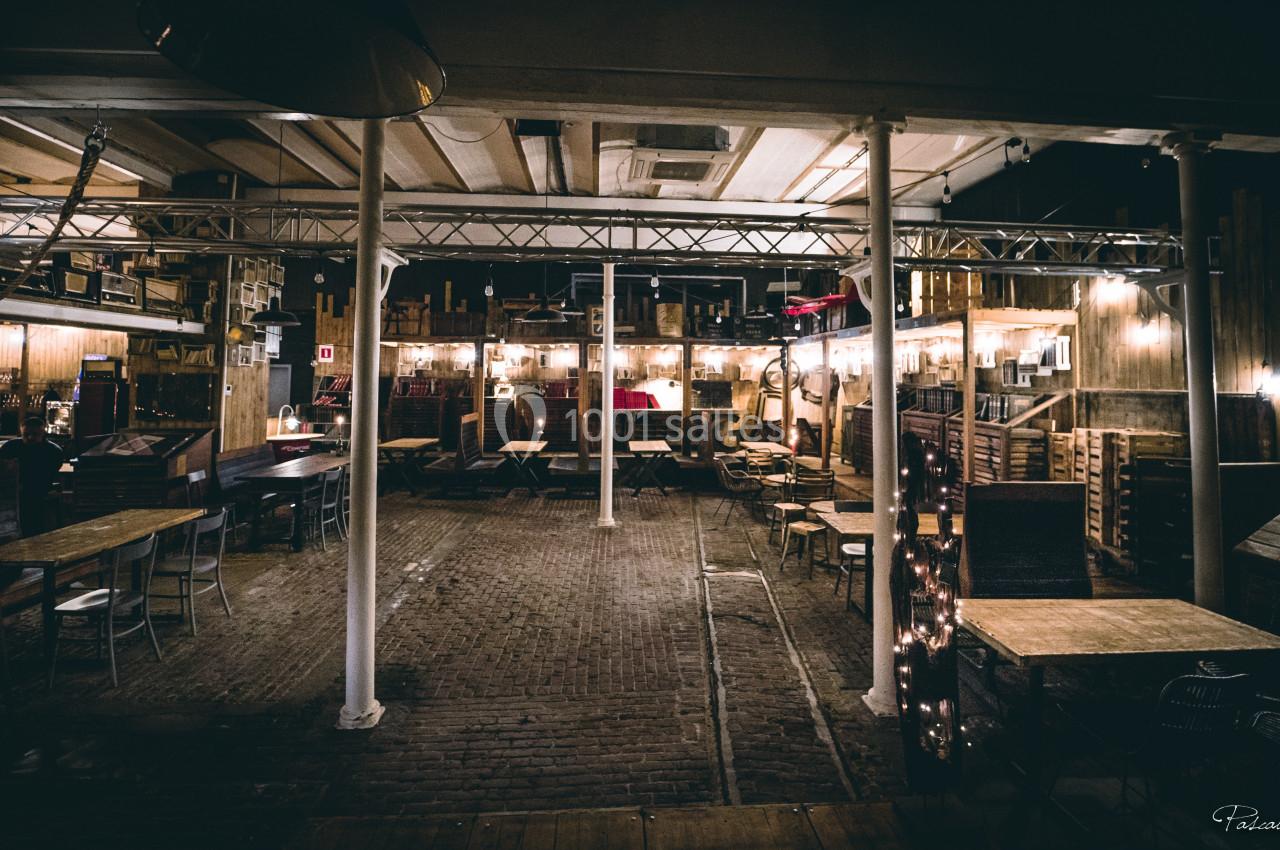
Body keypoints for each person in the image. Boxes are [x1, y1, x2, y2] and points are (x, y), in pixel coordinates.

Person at [0, 415, 64, 537]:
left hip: (38, 489)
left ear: (43, 433)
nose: (30, 437)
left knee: (31, 504)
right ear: (21, 432)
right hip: (13, 488)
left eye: (35, 434)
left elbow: (46, 476)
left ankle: (31, 537)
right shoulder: (10, 447)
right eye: (26, 434)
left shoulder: (53, 451)